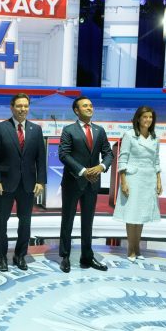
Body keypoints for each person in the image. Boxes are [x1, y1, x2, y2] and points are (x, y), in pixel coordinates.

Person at [0, 93, 46, 271]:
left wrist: (41, 181)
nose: (23, 109)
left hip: (28, 184)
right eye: (19, 106)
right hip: (5, 184)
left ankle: (20, 255)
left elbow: (40, 159)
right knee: (1, 222)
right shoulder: (0, 128)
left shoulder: (36, 130)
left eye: (26, 106)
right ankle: (2, 257)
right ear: (12, 107)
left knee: (25, 222)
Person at [58, 96, 113, 272]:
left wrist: (101, 166)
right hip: (73, 182)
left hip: (93, 183)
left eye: (90, 105)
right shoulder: (69, 130)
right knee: (68, 220)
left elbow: (108, 153)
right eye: (85, 106)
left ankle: (87, 256)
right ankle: (65, 257)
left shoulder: (99, 130)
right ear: (76, 110)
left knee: (88, 221)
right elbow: (64, 155)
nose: (89, 108)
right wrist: (83, 171)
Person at [113, 106, 162, 262]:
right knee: (132, 214)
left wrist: (159, 180)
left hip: (149, 179)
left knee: (141, 216)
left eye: (150, 117)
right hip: (133, 178)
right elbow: (123, 159)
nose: (148, 120)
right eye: (145, 117)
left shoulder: (155, 138)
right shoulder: (129, 135)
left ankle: (138, 248)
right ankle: (130, 250)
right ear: (138, 119)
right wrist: (123, 181)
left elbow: (156, 161)